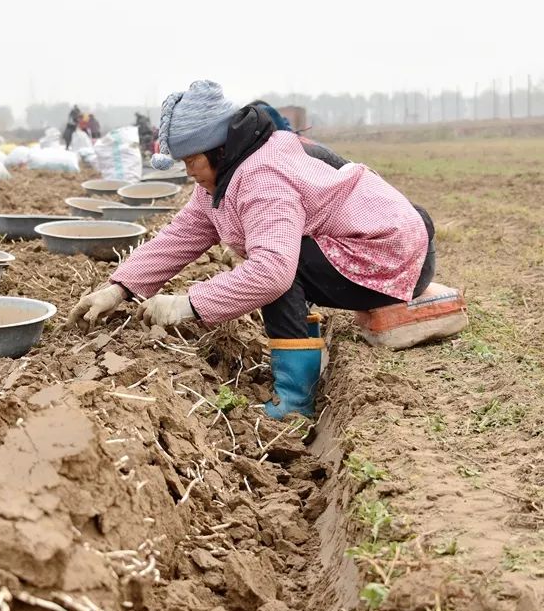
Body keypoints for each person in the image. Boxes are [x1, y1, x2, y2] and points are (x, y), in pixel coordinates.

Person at [69, 80, 467, 419]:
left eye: (192, 161)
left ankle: (295, 401)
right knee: (279, 261)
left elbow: (272, 273)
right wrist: (120, 287)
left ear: (219, 149)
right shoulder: (228, 174)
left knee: (277, 270)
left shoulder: (262, 176)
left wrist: (188, 304)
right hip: (392, 240)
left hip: (388, 255)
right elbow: (182, 234)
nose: (188, 172)